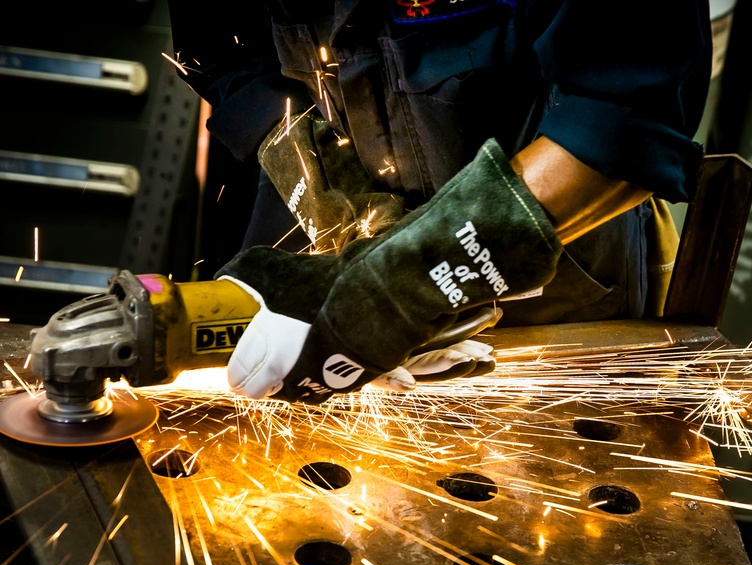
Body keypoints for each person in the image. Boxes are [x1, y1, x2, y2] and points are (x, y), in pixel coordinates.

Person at [166, 1, 712, 401]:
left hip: (561, 272)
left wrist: (401, 287)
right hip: (323, 245)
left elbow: (627, 116)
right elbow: (221, 58)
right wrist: (336, 197)